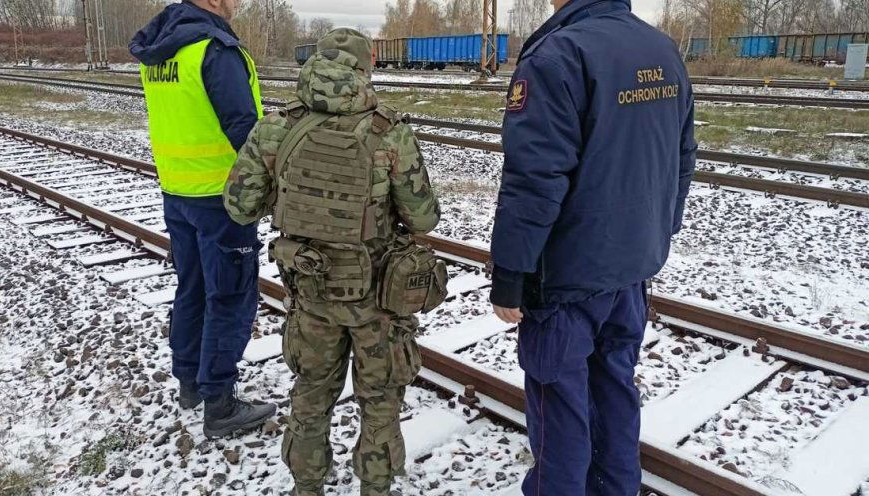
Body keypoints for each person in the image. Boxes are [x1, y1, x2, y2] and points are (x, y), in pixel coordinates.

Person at [223, 28, 443, 496]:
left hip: (310, 292)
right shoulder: (390, 132)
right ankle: (375, 488)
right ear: (366, 69)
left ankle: (306, 486)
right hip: (377, 300)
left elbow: (240, 207)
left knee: (310, 395)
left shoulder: (275, 127)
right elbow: (424, 218)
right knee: (380, 400)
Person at [489, 0, 697, 494]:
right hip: (631, 268)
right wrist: (660, 231)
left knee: (559, 405)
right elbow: (682, 156)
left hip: (567, 277)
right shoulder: (662, 49)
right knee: (614, 392)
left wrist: (510, 275)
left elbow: (535, 179)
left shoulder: (558, 55)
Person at [129, 0, 276, 439]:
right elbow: (244, 127)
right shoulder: (215, 49)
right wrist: (271, 182)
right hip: (221, 196)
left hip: (177, 191)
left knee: (192, 286)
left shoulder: (160, 48)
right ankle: (220, 403)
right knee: (230, 295)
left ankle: (190, 381)